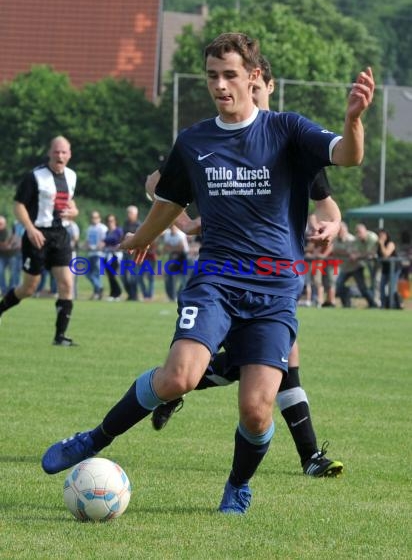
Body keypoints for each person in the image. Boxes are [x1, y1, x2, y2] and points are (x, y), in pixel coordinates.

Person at [41, 33, 374, 514]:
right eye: (213, 76)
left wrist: (353, 120)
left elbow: (348, 155)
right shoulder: (194, 141)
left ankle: (238, 484)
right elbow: (170, 199)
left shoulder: (287, 130)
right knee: (179, 377)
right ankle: (93, 438)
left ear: (254, 76)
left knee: (257, 411)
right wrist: (142, 236)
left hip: (275, 289)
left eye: (230, 75)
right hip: (216, 279)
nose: (220, 85)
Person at [151, 59, 343, 478]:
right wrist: (183, 220)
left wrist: (333, 223)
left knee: (268, 364)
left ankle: (174, 389)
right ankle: (310, 456)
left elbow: (326, 200)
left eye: (254, 90)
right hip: (225, 273)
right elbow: (157, 183)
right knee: (272, 364)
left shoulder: (289, 142)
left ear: (266, 86)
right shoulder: (214, 140)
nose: (243, 98)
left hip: (278, 276)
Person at [0, 136, 79, 345]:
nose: (60, 156)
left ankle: (60, 337)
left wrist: (74, 211)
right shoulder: (35, 176)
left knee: (66, 283)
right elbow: (18, 205)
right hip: (37, 235)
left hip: (60, 235)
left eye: (64, 152)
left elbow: (70, 202)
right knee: (29, 288)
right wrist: (30, 228)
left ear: (69, 154)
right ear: (49, 152)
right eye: (56, 152)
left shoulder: (72, 176)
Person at [336, 223, 378, 308]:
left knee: (364, 288)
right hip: (346, 268)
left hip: (359, 266)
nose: (359, 234)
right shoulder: (355, 239)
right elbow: (352, 252)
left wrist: (357, 255)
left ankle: (373, 304)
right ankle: (347, 305)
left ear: (365, 230)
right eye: (357, 232)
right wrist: (353, 254)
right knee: (339, 285)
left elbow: (370, 253)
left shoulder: (372, 237)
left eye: (360, 232)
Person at [85, 211, 107, 300]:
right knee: (88, 274)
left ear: (99, 218)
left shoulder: (102, 228)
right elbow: (87, 241)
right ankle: (99, 288)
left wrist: (97, 247)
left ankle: (97, 292)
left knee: (96, 274)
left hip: (99, 254)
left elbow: (104, 241)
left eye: (96, 217)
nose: (94, 219)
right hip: (91, 254)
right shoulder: (89, 228)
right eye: (92, 217)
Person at [377, 229, 402, 309]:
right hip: (385, 269)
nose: (381, 237)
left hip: (394, 269)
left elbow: (386, 255)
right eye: (380, 236)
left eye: (383, 235)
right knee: (381, 287)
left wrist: (381, 244)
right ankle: (383, 305)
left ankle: (394, 304)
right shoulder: (377, 245)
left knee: (392, 288)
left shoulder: (390, 244)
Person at [121, 206, 142, 301]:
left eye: (130, 213)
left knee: (133, 276)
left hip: (134, 254)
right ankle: (130, 294)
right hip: (126, 253)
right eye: (128, 213)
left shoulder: (140, 225)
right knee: (124, 276)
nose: (128, 215)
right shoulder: (125, 224)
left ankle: (134, 295)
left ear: (135, 214)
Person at [103, 214, 123, 301]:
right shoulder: (107, 232)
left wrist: (114, 248)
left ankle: (117, 292)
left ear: (115, 221)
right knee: (109, 275)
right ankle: (113, 293)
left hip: (116, 255)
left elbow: (121, 242)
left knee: (112, 274)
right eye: (108, 221)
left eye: (112, 221)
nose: (110, 223)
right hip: (107, 255)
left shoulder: (118, 231)